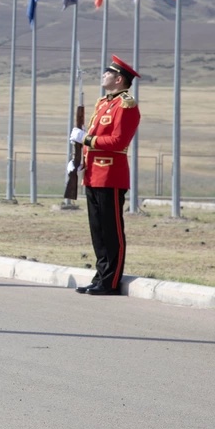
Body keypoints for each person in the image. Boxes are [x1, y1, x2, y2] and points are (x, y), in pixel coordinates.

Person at [70, 55, 142, 296]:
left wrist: (86, 139)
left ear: (119, 79)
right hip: (93, 174)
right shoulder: (103, 103)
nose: (103, 76)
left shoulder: (126, 105)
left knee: (112, 231)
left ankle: (110, 281)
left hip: (111, 175)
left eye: (107, 73)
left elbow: (118, 141)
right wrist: (79, 162)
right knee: (98, 229)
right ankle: (101, 276)